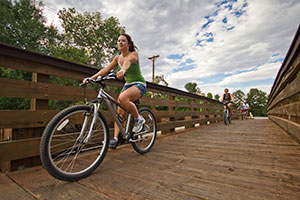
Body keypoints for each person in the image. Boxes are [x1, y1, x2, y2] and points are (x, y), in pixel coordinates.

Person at [83, 33, 146, 149]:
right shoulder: (117, 58)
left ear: (128, 44)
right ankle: (116, 139)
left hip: (139, 84)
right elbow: (106, 69)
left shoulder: (133, 54)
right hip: (128, 85)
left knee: (122, 98)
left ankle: (139, 119)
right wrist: (92, 78)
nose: (120, 42)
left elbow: (128, 62)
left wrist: (123, 70)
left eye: (123, 40)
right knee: (119, 113)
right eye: (118, 41)